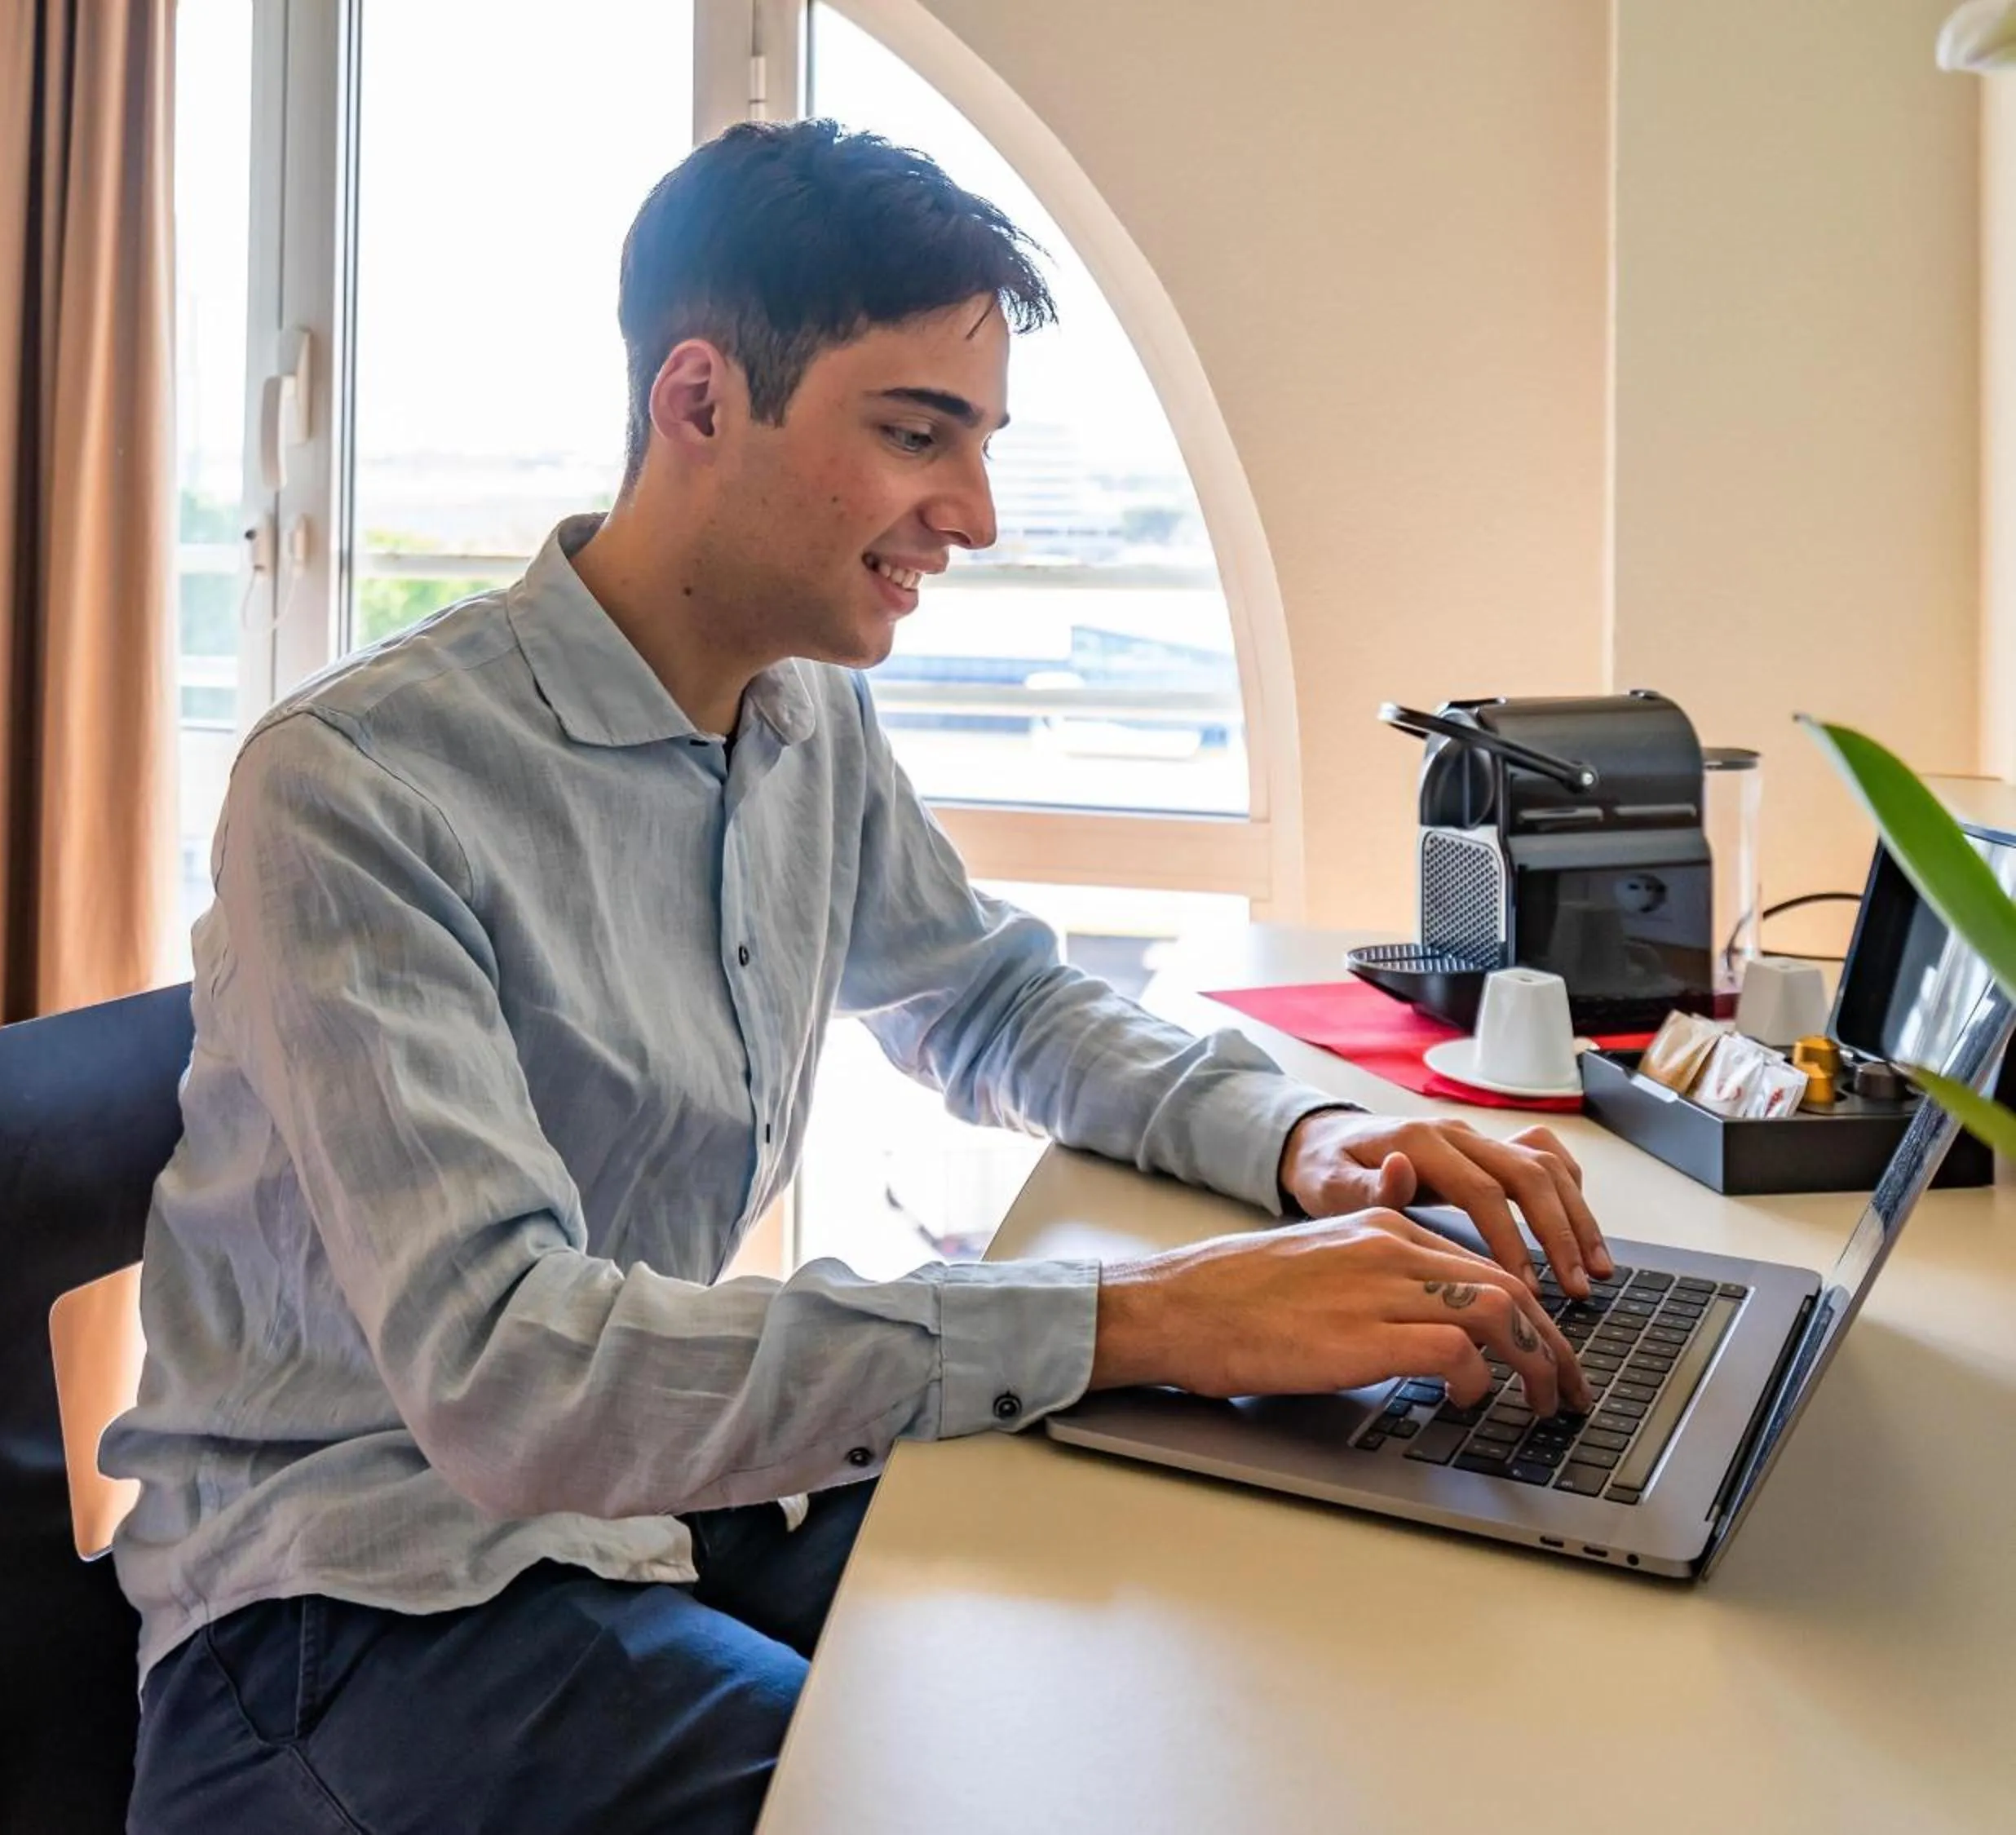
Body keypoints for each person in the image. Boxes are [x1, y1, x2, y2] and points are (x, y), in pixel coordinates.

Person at [108, 119, 1604, 1834]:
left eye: (978, 445)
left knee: (1189, 1650)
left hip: (649, 1507)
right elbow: (515, 1380)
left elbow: (984, 999)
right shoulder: (358, 786)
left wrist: (1304, 1140)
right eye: (916, 436)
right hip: (353, 1605)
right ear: (696, 402)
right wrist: (1148, 1315)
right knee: (954, 1786)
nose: (967, 515)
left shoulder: (803, 712)